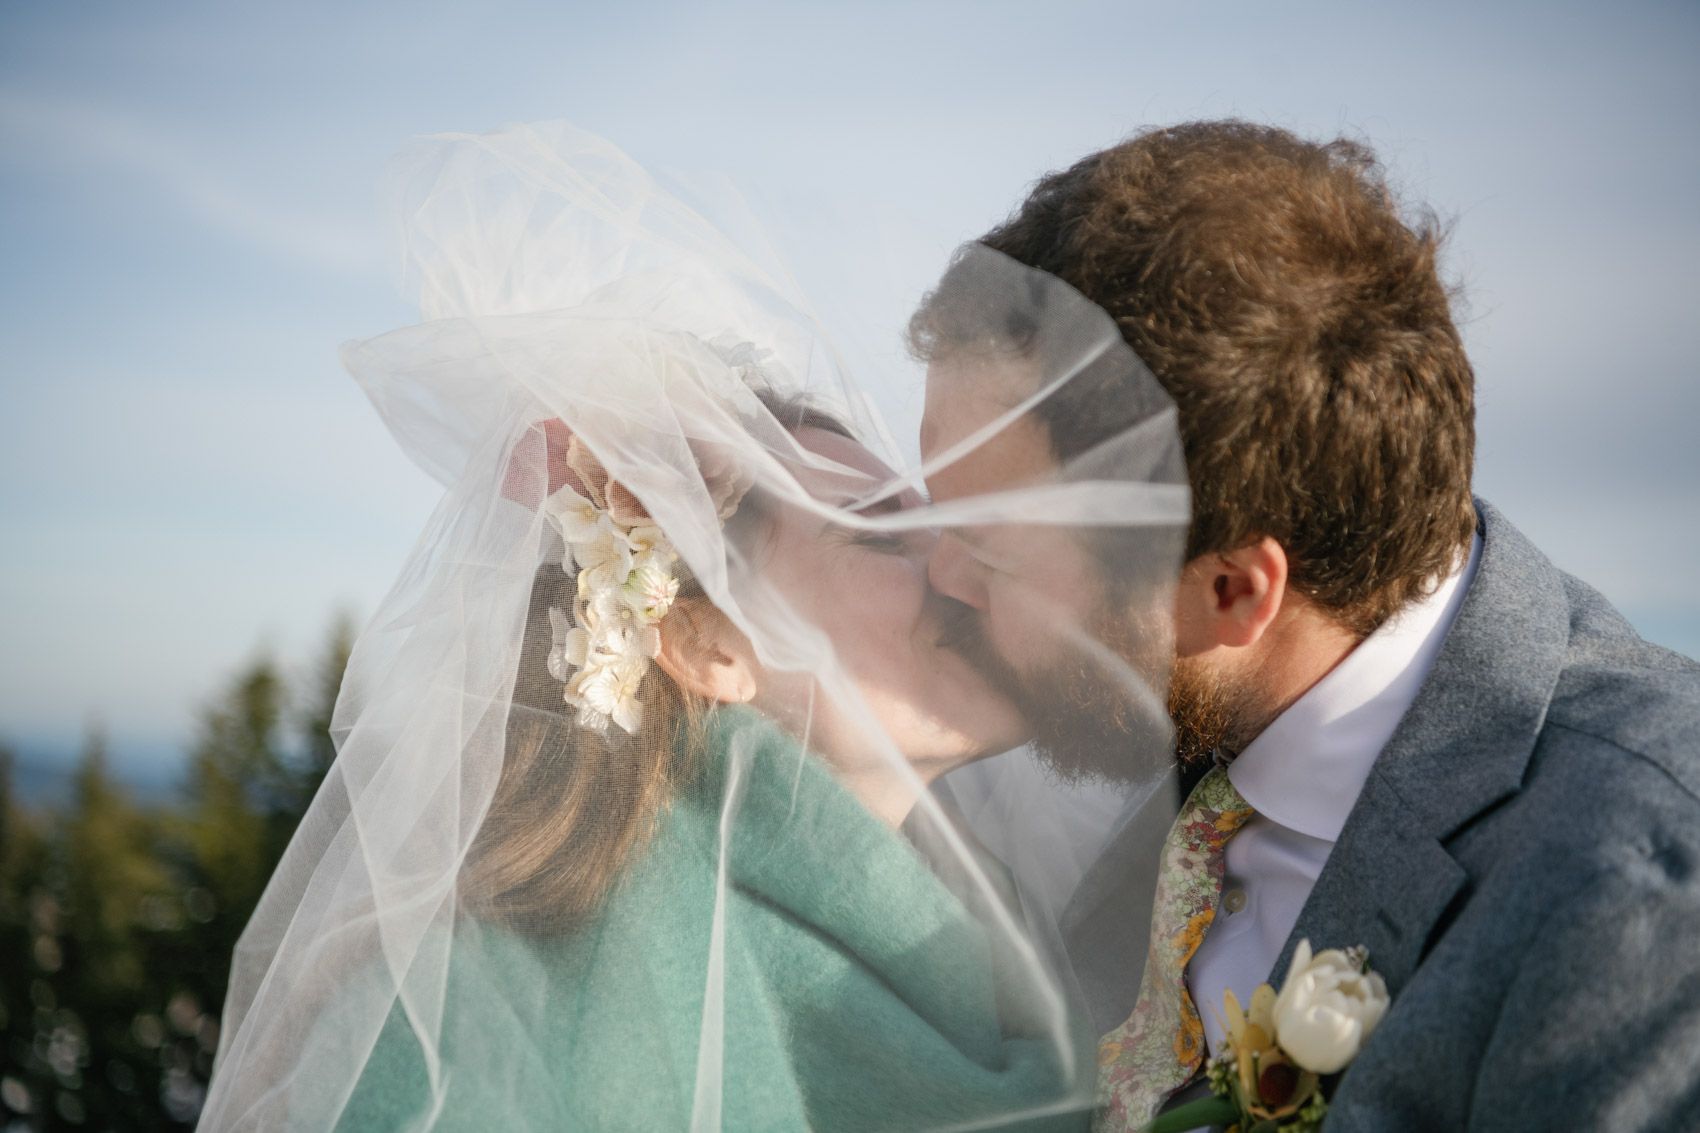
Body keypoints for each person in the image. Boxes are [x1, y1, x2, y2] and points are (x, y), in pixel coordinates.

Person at [200, 123, 1193, 1131]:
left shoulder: (1032, 940)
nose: (952, 567)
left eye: (937, 522)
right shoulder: (468, 1015)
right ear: (701, 642)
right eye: (878, 537)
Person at [916, 120, 1700, 1131]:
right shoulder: (1153, 717)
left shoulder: (1640, 910)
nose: (936, 575)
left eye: (988, 548)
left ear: (1234, 590)